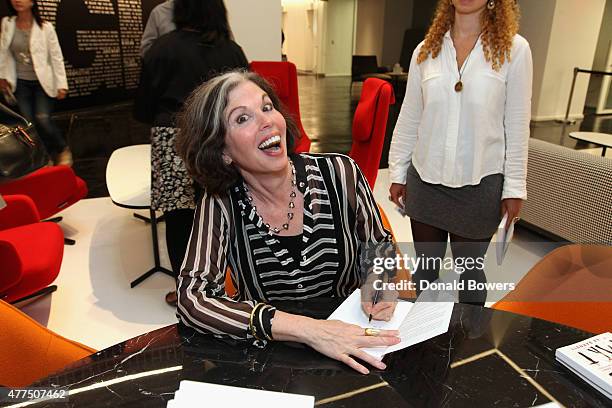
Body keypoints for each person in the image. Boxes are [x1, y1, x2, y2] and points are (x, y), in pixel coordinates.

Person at [175, 70, 401, 375]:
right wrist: (309, 329)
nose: (267, 121)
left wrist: (379, 283)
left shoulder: (340, 172)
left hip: (351, 338)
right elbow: (192, 298)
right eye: (242, 118)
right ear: (223, 151)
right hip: (273, 355)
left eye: (267, 107)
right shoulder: (221, 201)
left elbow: (379, 243)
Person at [388, 0, 532, 305]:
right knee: (424, 273)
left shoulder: (515, 51)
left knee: (470, 276)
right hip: (426, 182)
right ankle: (419, 346)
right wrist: (398, 173)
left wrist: (515, 187)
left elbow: (517, 126)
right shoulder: (425, 51)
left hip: (480, 185)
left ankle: (467, 344)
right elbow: (410, 116)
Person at [134, 0, 249, 306]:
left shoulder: (161, 49)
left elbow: (143, 107)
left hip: (172, 138)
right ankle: (229, 284)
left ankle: (185, 290)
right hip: (219, 136)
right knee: (226, 210)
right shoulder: (231, 51)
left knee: (178, 217)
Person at [0, 0, 71, 165]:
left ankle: (62, 149)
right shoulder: (7, 23)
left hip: (42, 82)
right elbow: (3, 53)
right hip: (20, 82)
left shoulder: (45, 27)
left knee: (43, 118)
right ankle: (45, 157)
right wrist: (2, 76)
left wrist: (62, 84)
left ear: (32, 2)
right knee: (29, 124)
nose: (17, 0)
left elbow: (56, 56)